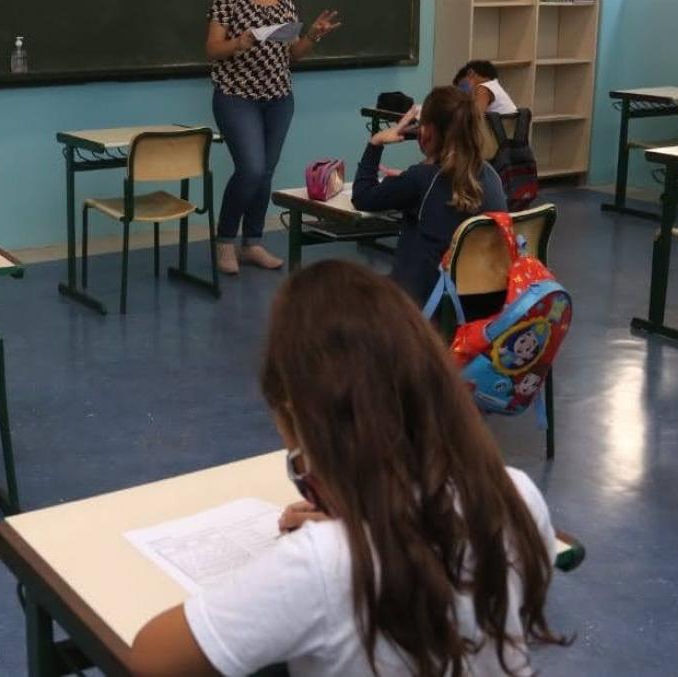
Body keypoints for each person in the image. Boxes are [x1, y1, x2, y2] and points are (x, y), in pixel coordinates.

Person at [129, 260, 564, 677]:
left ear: (297, 417)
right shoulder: (517, 494)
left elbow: (151, 657)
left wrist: (341, 534)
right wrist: (364, 515)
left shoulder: (321, 563)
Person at [205, 0, 342, 275]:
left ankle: (252, 243)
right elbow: (212, 49)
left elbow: (293, 53)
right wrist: (241, 41)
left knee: (264, 173)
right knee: (249, 168)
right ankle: (224, 242)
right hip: (236, 96)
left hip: (279, 97)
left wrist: (313, 34)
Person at [351, 86, 506, 305]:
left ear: (427, 133)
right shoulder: (492, 175)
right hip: (485, 302)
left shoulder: (421, 180)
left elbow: (362, 196)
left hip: (428, 304)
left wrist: (375, 142)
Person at [453, 60, 518, 114]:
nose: (462, 91)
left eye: (462, 85)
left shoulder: (483, 88)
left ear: (471, 73)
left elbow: (476, 116)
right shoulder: (493, 85)